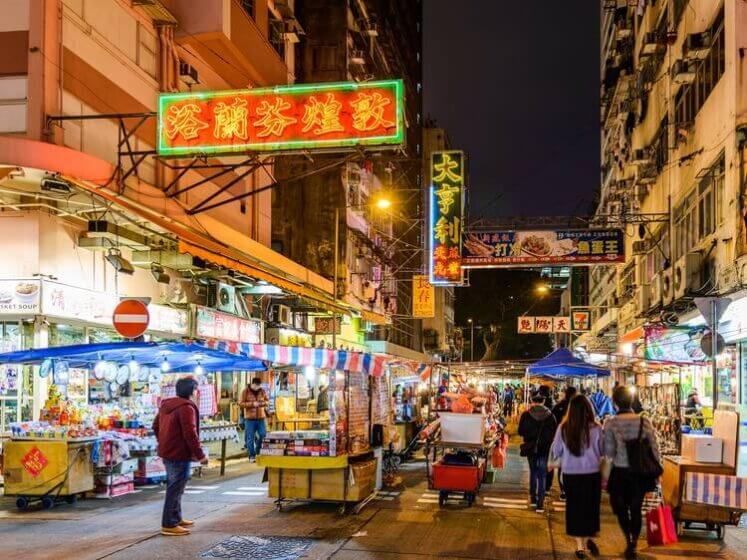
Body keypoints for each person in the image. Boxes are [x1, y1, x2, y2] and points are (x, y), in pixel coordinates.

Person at [604, 385, 661, 559]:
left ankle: (628, 540)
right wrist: (657, 471)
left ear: (614, 403)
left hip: (620, 473)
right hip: (640, 473)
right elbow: (655, 448)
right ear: (631, 402)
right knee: (636, 509)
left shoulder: (610, 423)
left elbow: (609, 453)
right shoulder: (645, 421)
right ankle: (634, 543)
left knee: (620, 509)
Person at [550, 395, 603, 559]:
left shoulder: (564, 428)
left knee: (574, 509)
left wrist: (551, 463)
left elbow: (556, 449)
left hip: (571, 474)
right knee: (590, 509)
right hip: (592, 474)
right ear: (589, 409)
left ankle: (580, 546)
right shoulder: (596, 428)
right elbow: (604, 451)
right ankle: (587, 539)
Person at [152, 377, 207, 537]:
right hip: (179, 453)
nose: (197, 393)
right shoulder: (186, 408)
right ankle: (169, 524)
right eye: (196, 390)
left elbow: (155, 426)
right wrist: (200, 455)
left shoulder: (166, 405)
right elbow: (190, 433)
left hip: (168, 451)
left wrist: (164, 441)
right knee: (175, 488)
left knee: (177, 486)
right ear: (191, 391)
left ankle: (176, 517)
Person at [518, 393, 557, 513]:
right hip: (545, 449)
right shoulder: (551, 416)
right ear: (543, 402)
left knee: (533, 472)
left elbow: (520, 431)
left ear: (532, 401)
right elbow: (554, 433)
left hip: (531, 448)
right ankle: (540, 504)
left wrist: (530, 435)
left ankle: (533, 499)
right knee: (542, 475)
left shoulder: (526, 415)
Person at [550, 385, 577, 499]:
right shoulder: (579, 407)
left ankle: (564, 490)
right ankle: (571, 489)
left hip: (563, 439)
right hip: (576, 443)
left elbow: (552, 421)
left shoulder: (559, 406)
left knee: (562, 465)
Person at [240, 377, 269, 462]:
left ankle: (257, 450)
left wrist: (261, 403)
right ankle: (252, 456)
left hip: (261, 418)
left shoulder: (262, 391)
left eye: (259, 386)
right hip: (249, 419)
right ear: (252, 384)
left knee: (263, 434)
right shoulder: (245, 391)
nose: (257, 387)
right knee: (250, 438)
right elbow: (241, 403)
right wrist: (252, 404)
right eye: (256, 385)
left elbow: (267, 401)